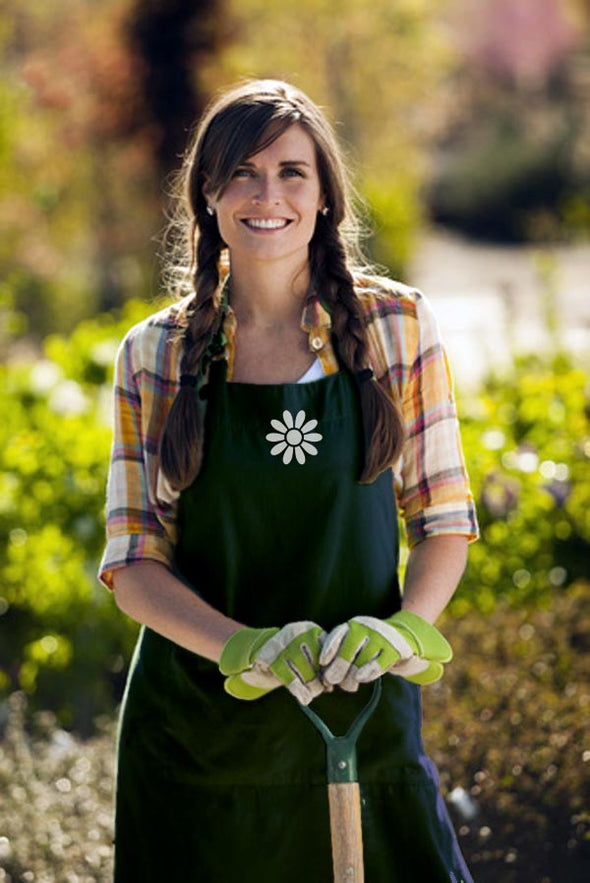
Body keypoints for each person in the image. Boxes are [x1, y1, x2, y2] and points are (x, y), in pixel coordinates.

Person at [99, 78, 479, 882]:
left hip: (360, 712)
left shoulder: (394, 327)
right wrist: (244, 647)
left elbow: (444, 520)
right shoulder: (155, 353)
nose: (266, 194)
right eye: (242, 171)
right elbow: (133, 563)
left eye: (292, 172)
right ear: (208, 193)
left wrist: (404, 630)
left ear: (325, 196)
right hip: (198, 738)